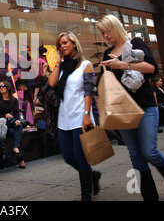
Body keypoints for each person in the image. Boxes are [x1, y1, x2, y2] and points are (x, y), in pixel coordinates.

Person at [97, 14, 164, 201]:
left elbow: (153, 69)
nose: (106, 35)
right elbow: (107, 82)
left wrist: (123, 64)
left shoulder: (134, 43)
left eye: (108, 30)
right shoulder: (107, 53)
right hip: (123, 110)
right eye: (102, 33)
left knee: (149, 151)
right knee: (135, 155)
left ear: (116, 27)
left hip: (145, 107)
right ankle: (150, 197)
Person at [48, 31, 100, 201]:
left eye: (65, 43)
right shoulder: (63, 67)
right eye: (60, 45)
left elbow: (89, 91)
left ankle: (86, 195)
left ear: (74, 43)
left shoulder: (86, 65)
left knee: (80, 157)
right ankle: (92, 176)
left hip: (80, 116)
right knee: (68, 157)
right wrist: (57, 63)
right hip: (64, 118)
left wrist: (86, 115)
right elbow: (52, 83)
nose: (62, 47)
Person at [0, 80, 26, 168]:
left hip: (11, 123)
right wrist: (4, 115)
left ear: (7, 87)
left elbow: (16, 112)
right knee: (17, 134)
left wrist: (17, 120)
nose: (1, 88)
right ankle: (21, 159)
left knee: (19, 126)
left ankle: (15, 148)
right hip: (2, 126)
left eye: (3, 86)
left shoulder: (14, 100)